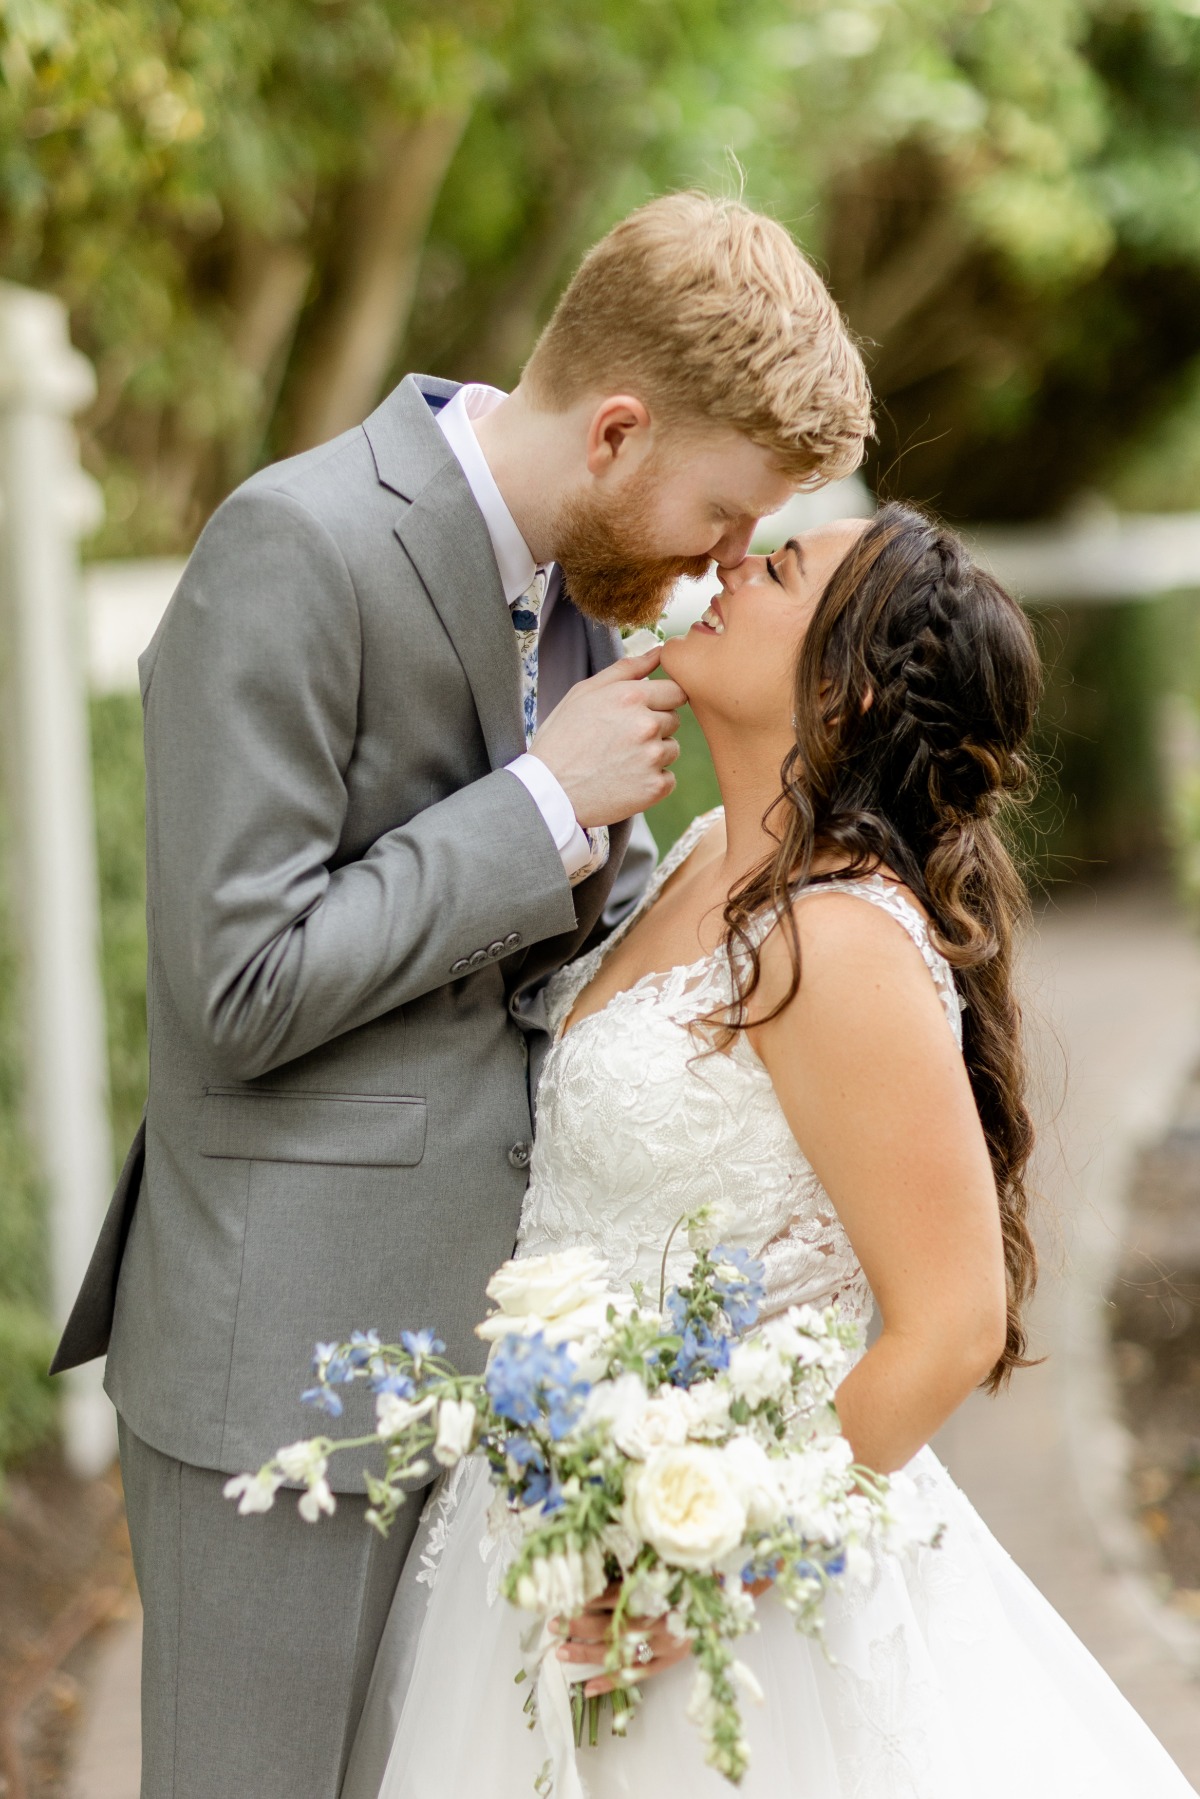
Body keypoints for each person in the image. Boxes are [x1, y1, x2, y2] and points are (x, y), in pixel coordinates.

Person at [48, 192, 871, 1799]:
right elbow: (238, 983)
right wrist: (541, 814)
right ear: (619, 429)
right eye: (719, 519)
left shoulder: (583, 591)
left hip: (509, 1390)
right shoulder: (295, 544)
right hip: (285, 1368)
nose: (716, 570)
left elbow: (546, 975)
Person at [346, 504, 1200, 1798]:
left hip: (730, 1597)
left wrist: (714, 1561)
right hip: (559, 1524)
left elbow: (953, 1321)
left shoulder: (834, 938)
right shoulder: (699, 858)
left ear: (849, 687)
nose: (728, 567)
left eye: (779, 567)